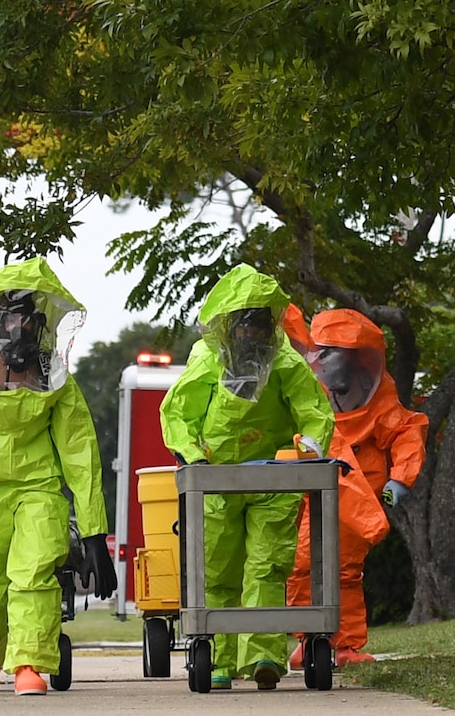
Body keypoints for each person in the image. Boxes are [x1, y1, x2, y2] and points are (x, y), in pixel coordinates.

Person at [0, 259, 115, 698]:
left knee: (34, 575)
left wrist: (93, 535)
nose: (22, 327)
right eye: (14, 316)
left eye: (32, 318)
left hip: (38, 490)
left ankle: (29, 663)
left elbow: (80, 454)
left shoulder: (56, 380)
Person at [159, 264, 333, 690]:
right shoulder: (207, 360)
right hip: (215, 478)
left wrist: (311, 448)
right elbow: (178, 414)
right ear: (227, 325)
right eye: (244, 323)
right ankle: (217, 658)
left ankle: (262, 658)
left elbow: (313, 410)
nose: (252, 333)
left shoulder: (285, 360)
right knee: (215, 571)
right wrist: (192, 456)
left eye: (259, 322)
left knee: (267, 567)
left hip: (273, 478)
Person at [288, 308, 427, 666]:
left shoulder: (379, 402)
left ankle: (346, 645)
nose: (321, 360)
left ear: (356, 358)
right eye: (320, 351)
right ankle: (308, 638)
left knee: (345, 571)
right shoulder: (311, 395)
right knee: (301, 563)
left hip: (358, 496)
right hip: (312, 489)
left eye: (331, 352)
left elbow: (406, 433)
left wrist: (400, 478)